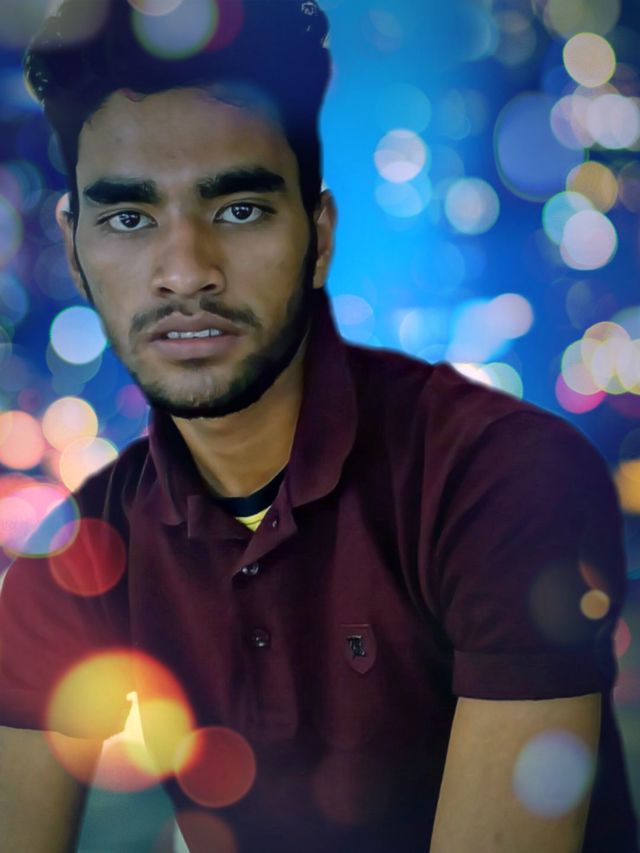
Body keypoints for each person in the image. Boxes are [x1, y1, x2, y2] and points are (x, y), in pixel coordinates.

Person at [0, 0, 638, 850]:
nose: (185, 270)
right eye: (129, 218)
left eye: (239, 209)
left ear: (320, 237)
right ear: (74, 250)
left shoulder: (502, 477)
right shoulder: (74, 563)